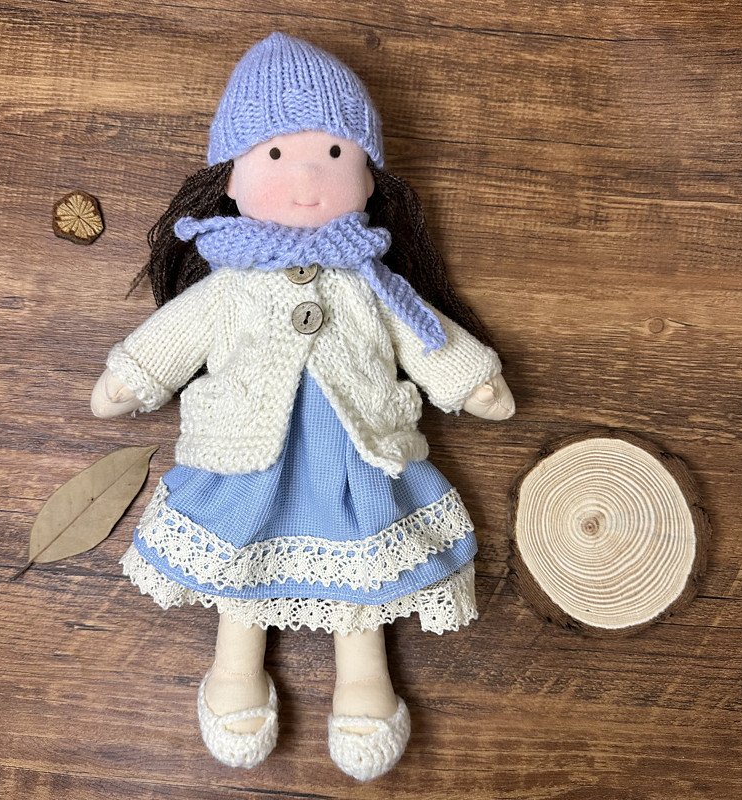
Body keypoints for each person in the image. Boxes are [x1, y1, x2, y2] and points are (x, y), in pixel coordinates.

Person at [91, 31, 514, 783]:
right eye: (278, 154)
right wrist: (133, 377)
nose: (308, 177)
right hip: (244, 461)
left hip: (359, 462)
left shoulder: (371, 281)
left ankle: (365, 682)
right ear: (232, 177)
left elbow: (423, 334)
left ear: (368, 175)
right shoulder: (229, 286)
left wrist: (469, 378)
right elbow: (176, 335)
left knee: (363, 560)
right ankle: (234, 672)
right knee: (241, 552)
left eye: (334, 153)